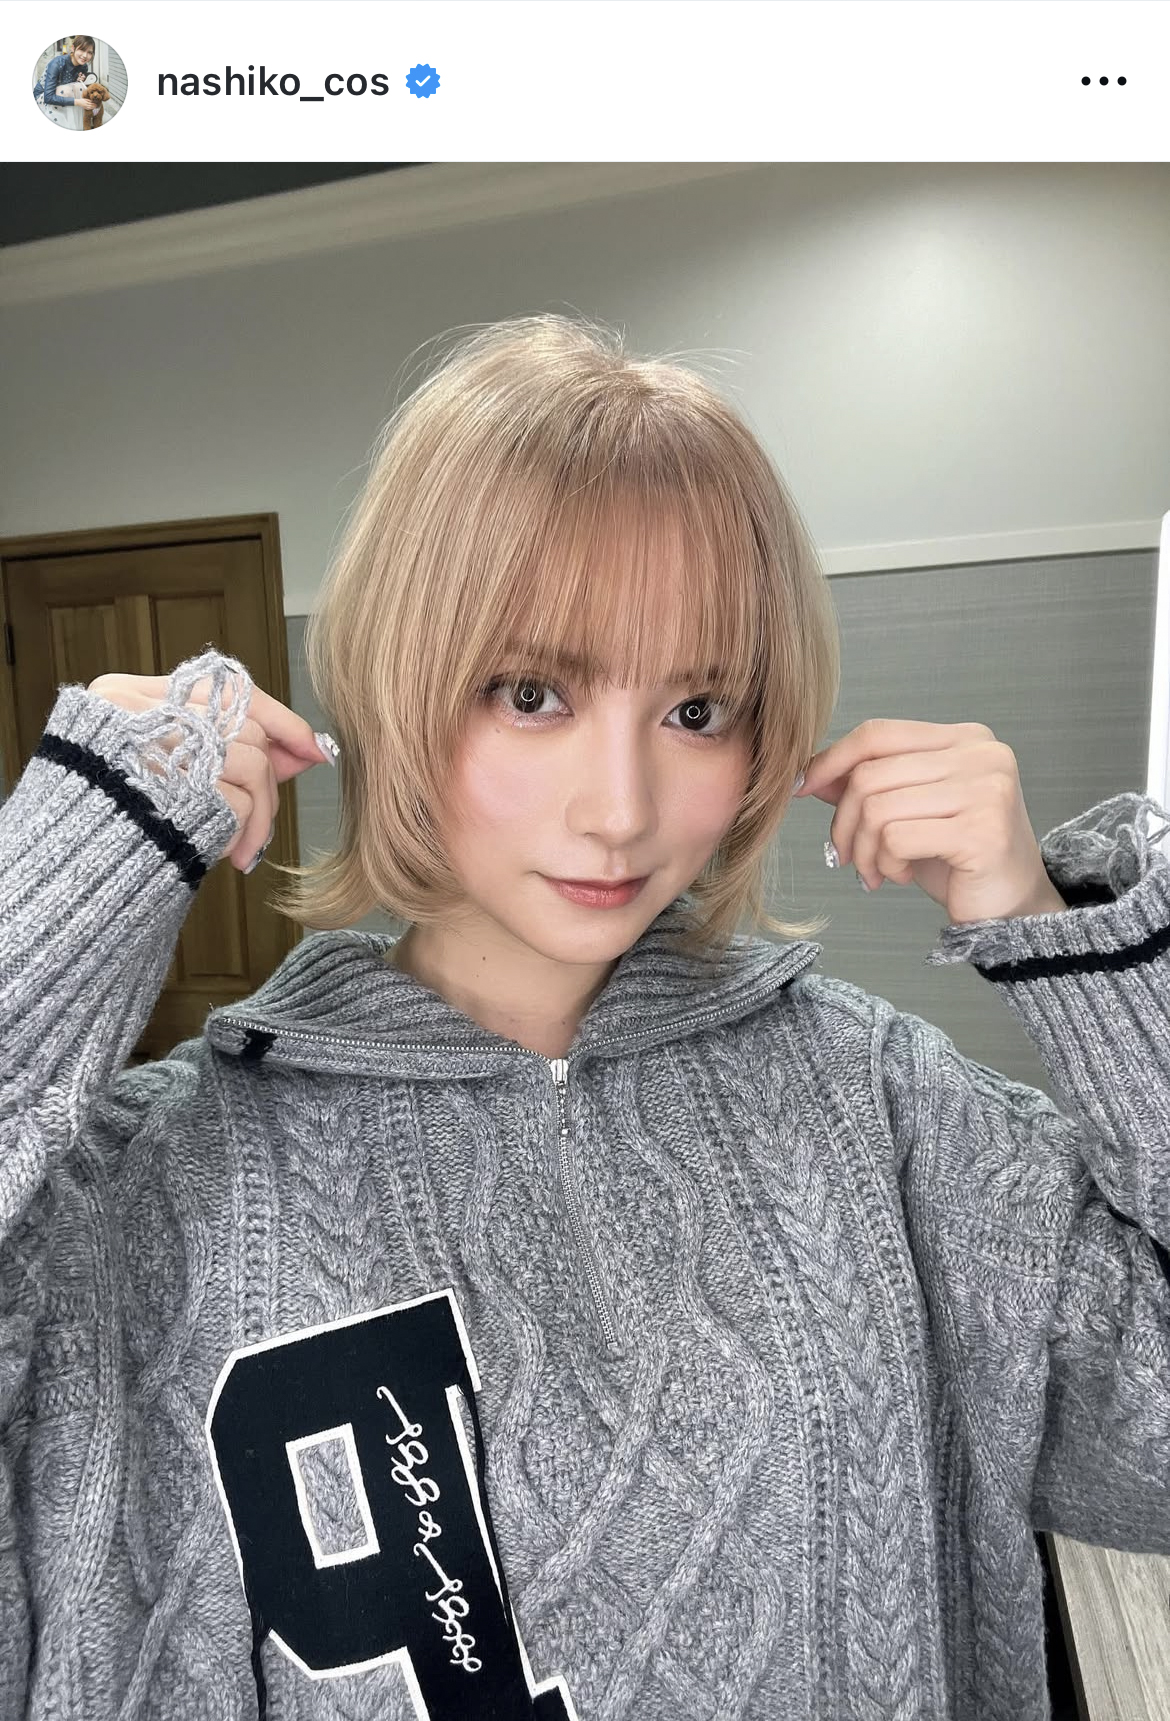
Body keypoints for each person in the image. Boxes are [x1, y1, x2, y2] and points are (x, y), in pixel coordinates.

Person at [1, 312, 1168, 1721]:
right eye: (532, 693)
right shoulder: (153, 1191)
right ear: (400, 686)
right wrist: (61, 883)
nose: (620, 808)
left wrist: (1068, 936)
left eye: (698, 709)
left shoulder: (881, 1101)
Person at [33, 35, 97, 128]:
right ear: (73, 48)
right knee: (66, 90)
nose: (85, 55)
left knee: (79, 87)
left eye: (89, 52)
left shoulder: (83, 66)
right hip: (43, 99)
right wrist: (78, 102)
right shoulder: (57, 63)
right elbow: (48, 97)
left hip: (61, 95)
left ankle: (75, 124)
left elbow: (71, 82)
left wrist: (79, 79)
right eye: (82, 50)